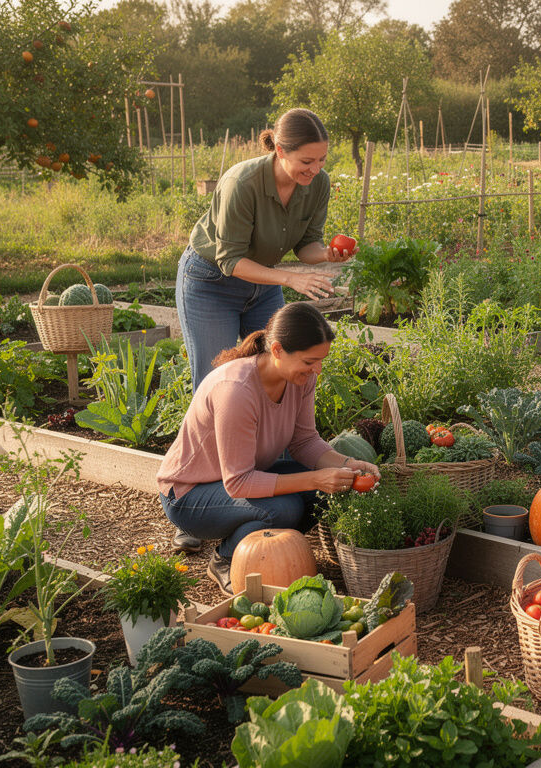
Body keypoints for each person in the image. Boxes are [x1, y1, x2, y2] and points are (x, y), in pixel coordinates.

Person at [172, 107, 354, 553]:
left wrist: (327, 256)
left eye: (322, 160)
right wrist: (290, 279)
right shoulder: (242, 182)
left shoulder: (318, 185)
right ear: (278, 149)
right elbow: (231, 259)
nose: (315, 170)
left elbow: (307, 244)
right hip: (211, 282)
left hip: (265, 282)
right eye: (306, 161)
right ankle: (205, 513)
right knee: (215, 386)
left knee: (286, 372)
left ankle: (270, 495)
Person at [156, 302, 380, 594]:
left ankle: (261, 552)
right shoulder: (236, 391)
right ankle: (226, 559)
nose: (318, 370)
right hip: (190, 495)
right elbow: (237, 482)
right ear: (276, 350)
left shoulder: (300, 379)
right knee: (284, 509)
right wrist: (314, 479)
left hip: (242, 479)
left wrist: (347, 463)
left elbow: (304, 442)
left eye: (320, 360)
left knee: (326, 491)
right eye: (310, 361)